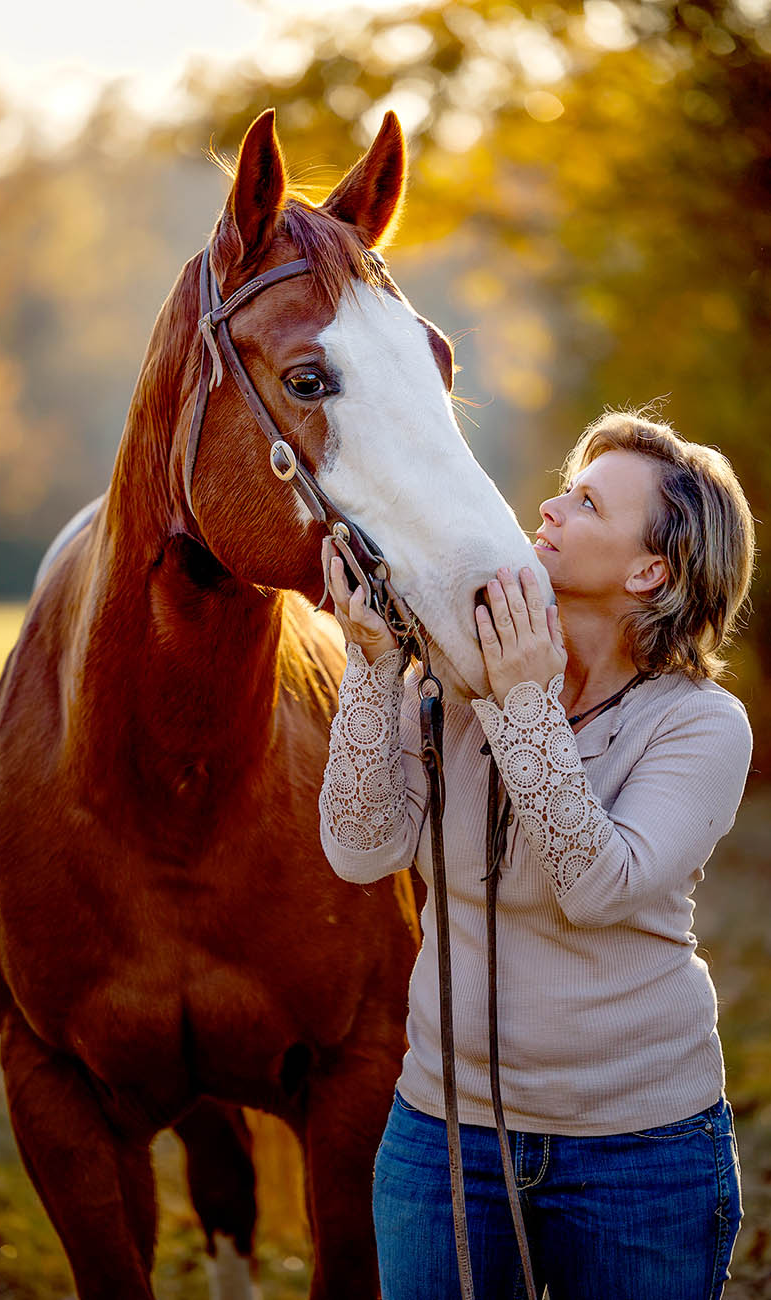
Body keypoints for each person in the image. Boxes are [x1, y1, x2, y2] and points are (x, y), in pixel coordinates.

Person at [318, 410, 755, 1300]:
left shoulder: (701, 724)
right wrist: (369, 664)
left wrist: (522, 704)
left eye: (588, 503)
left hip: (640, 1156)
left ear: (651, 570)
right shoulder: (457, 677)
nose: (549, 509)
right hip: (443, 1137)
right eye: (564, 489)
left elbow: (597, 885)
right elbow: (361, 850)